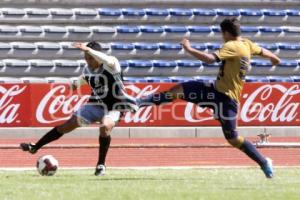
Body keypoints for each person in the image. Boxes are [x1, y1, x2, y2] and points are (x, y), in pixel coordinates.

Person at [137, 17, 280, 178]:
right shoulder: (247, 44)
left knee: (233, 138)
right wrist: (274, 57)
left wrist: (189, 49)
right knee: (179, 90)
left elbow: (210, 59)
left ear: (226, 33)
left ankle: (264, 162)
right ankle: (139, 102)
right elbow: (262, 50)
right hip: (214, 91)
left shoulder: (232, 46)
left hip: (226, 100)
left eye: (222, 33)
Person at [20, 41, 138, 176]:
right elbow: (82, 79)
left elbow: (106, 59)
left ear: (98, 56)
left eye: (90, 58)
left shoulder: (111, 64)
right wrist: (75, 85)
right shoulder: (87, 70)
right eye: (86, 58)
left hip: (114, 107)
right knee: (66, 126)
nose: (88, 61)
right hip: (95, 105)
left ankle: (101, 165)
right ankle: (35, 147)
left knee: (105, 127)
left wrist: (88, 50)